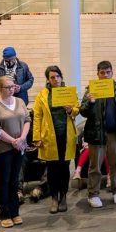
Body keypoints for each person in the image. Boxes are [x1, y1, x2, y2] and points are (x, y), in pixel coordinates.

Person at [80, 61, 116, 208]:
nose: (105, 75)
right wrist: (90, 102)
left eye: (108, 72)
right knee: (95, 165)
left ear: (112, 73)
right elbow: (83, 112)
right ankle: (93, 194)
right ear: (98, 74)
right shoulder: (91, 89)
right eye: (102, 73)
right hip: (97, 133)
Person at [32, 65, 79, 214]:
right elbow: (37, 116)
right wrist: (36, 137)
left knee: (64, 168)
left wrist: (71, 110)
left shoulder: (69, 92)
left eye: (57, 76)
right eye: (52, 77)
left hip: (66, 136)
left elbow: (77, 109)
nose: (55, 79)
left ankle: (63, 196)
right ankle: (54, 197)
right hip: (49, 137)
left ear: (61, 77)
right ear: (48, 79)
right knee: (52, 169)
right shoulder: (42, 95)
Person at [0, 75, 30, 228]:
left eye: (13, 86)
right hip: (3, 148)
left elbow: (27, 120)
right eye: (7, 87)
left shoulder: (19, 101)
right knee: (4, 180)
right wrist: (12, 141)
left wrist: (21, 138)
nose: (11, 89)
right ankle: (5, 213)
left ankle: (15, 211)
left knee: (15, 180)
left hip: (19, 146)